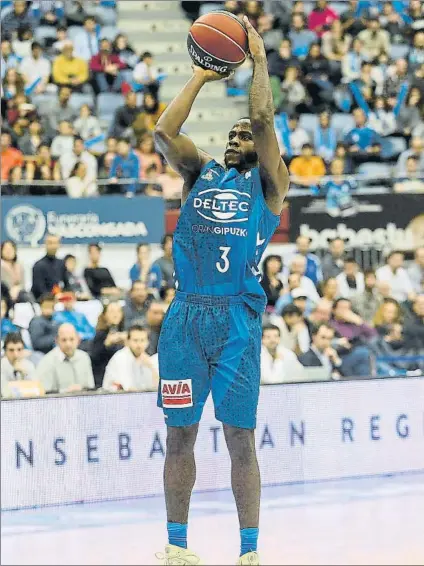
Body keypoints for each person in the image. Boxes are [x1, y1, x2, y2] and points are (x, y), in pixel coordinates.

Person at [153, 17, 289, 565]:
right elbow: (164, 133)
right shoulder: (199, 173)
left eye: (245, 137)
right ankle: (177, 546)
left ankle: (248, 552)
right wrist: (202, 77)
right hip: (186, 316)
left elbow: (260, 115)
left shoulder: (272, 185)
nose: (237, 138)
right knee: (180, 436)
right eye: (230, 135)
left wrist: (257, 60)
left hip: (236, 320)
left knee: (240, 439)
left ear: (259, 149)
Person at [34, 323, 95, 394]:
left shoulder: (84, 357)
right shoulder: (47, 362)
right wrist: (66, 392)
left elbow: (91, 388)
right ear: (57, 341)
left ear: (78, 340)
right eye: (64, 340)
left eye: (71, 339)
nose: (68, 344)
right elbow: (43, 392)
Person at [102, 324, 158, 392]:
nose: (139, 344)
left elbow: (155, 387)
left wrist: (151, 367)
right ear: (128, 341)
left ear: (147, 342)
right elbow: (128, 388)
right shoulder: (120, 357)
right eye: (135, 340)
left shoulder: (147, 359)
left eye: (142, 340)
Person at [91, 301, 126, 388]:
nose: (115, 314)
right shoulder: (100, 334)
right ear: (104, 315)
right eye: (112, 311)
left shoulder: (126, 333)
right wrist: (106, 344)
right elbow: (94, 359)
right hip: (104, 378)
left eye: (118, 311)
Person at [31, 234, 69, 300]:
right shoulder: (38, 265)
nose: (53, 246)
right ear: (45, 244)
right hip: (43, 302)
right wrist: (53, 297)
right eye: (50, 243)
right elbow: (39, 289)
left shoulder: (61, 264)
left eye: (55, 243)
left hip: (61, 300)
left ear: (59, 244)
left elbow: (67, 285)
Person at [1, 333, 35, 398]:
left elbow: (36, 391)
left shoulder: (29, 365)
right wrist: (16, 373)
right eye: (11, 350)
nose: (15, 354)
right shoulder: (1, 367)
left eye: (19, 349)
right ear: (5, 352)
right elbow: (6, 394)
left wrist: (24, 374)